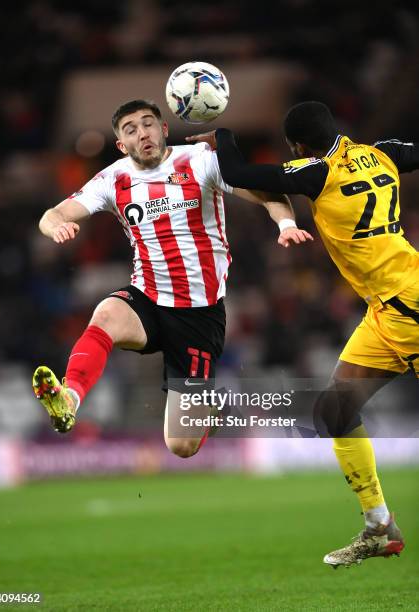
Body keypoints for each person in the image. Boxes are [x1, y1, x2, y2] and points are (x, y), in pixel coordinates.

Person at [187, 101, 418, 567]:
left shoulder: (316, 174)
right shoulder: (385, 153)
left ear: (297, 145)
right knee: (334, 411)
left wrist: (223, 136)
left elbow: (241, 173)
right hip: (386, 309)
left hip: (409, 310)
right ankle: (379, 526)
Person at [32, 99, 312, 460]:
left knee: (181, 446)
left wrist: (286, 225)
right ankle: (68, 398)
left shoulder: (199, 160)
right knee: (105, 314)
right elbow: (52, 214)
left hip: (199, 315)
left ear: (164, 130)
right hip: (147, 297)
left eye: (148, 124)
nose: (142, 133)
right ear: (121, 145)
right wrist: (58, 226)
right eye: (130, 129)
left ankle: (206, 408)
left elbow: (268, 192)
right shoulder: (114, 178)